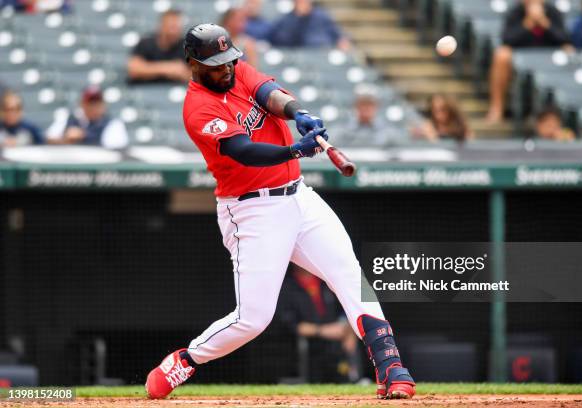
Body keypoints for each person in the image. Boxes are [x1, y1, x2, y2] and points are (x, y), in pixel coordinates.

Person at [145, 24, 415, 400]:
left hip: (298, 197)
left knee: (349, 275)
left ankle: (391, 366)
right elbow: (243, 150)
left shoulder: (237, 72)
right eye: (216, 65)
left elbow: (269, 93)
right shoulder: (197, 108)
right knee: (252, 320)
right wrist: (295, 151)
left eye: (228, 61)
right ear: (193, 65)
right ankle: (186, 360)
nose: (226, 69)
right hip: (252, 211)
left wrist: (298, 112)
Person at [487, 0, 571, 123]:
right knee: (502, 54)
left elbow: (564, 39)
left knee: (569, 51)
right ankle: (497, 108)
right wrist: (528, 23)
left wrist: (544, 23)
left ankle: (566, 109)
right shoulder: (515, 12)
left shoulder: (553, 12)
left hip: (550, 58)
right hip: (521, 58)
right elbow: (507, 39)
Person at [278, 264, 361, 383]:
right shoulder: (286, 287)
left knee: (346, 375)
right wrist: (322, 331)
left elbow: (346, 310)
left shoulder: (327, 282)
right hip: (308, 351)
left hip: (337, 347)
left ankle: (355, 379)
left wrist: (350, 332)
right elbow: (291, 325)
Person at [46, 86, 128, 149]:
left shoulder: (113, 124)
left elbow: (115, 150)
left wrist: (84, 135)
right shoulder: (70, 119)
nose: (93, 107)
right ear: (82, 104)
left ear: (103, 105)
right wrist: (66, 139)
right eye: (90, 103)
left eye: (97, 103)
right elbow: (49, 139)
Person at [127, 9, 191, 84]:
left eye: (177, 27)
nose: (174, 31)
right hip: (146, 89)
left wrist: (183, 74)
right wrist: (168, 68)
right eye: (171, 27)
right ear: (161, 26)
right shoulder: (146, 43)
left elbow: (196, 76)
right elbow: (134, 70)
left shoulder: (186, 46)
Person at [337, 84, 404, 147]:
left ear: (377, 106)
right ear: (356, 106)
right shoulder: (342, 132)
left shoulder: (389, 133)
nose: (366, 108)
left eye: (370, 104)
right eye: (363, 104)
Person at [267, 0, 350, 49]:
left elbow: (336, 33)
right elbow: (282, 41)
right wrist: (298, 17)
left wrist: (342, 40)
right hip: (302, 54)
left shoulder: (321, 15)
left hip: (324, 53)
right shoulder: (286, 20)